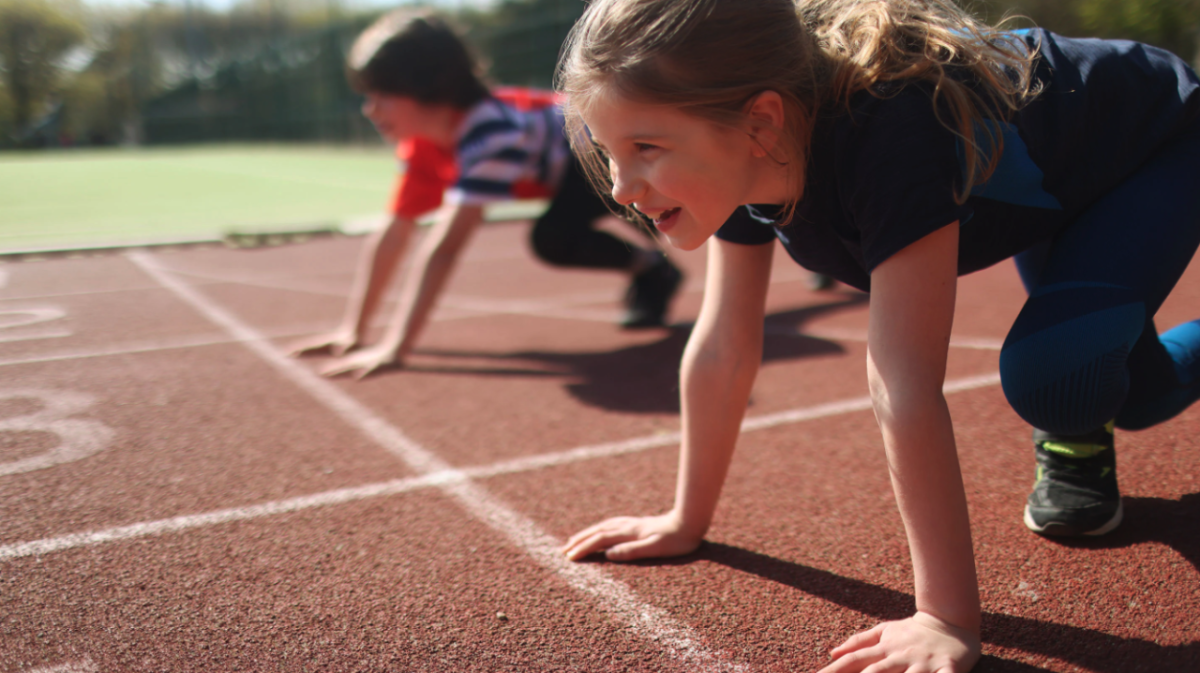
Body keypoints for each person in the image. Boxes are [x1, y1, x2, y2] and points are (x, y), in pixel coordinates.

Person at [554, 0, 1200, 671]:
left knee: (1058, 379)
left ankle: (1075, 419)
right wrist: (684, 519)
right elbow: (723, 346)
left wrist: (945, 616)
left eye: (646, 149)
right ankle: (1090, 408)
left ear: (760, 121)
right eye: (608, 153)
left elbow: (903, 382)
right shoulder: (742, 156)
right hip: (1061, 174)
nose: (623, 189)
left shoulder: (888, 129)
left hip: (1154, 141)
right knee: (1136, 392)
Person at [289, 9, 682, 377]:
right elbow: (394, 234)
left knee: (558, 236)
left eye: (381, 95)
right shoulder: (422, 144)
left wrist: (396, 347)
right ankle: (654, 268)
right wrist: (354, 331)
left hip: (593, 149)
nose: (369, 110)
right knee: (572, 232)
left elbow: (444, 249)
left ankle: (656, 266)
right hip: (565, 167)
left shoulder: (487, 133)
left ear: (426, 87)